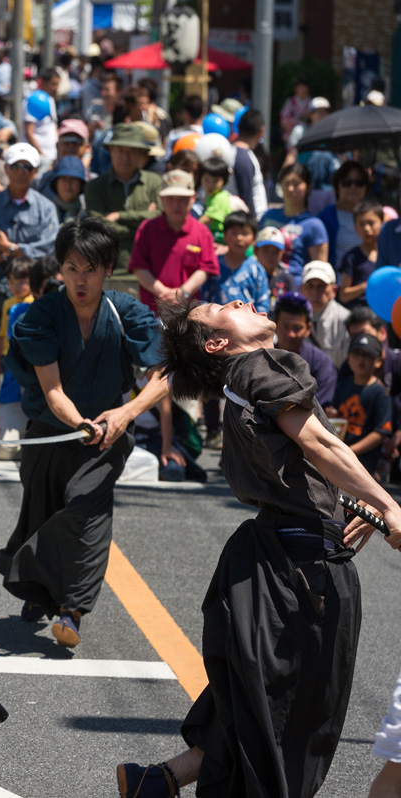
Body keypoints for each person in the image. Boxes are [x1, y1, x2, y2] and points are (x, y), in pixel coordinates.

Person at [121, 296, 401, 798]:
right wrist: (388, 503)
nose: (242, 298)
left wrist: (356, 506)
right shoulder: (264, 364)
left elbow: (301, 465)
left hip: (271, 561)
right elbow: (320, 444)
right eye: (222, 305)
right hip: (301, 571)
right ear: (218, 342)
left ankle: (163, 780)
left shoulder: (240, 384)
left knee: (255, 704)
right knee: (290, 722)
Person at [0, 218, 167, 648]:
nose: (79, 279)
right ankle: (36, 590)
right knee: (42, 512)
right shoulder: (42, 314)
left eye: (89, 269)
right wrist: (79, 424)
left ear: (108, 268)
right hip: (52, 432)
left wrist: (126, 412)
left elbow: (165, 372)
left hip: (107, 438)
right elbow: (52, 390)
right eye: (71, 268)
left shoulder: (126, 311)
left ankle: (72, 612)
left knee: (87, 512)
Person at [128, 170, 219, 315]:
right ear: (161, 198)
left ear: (193, 197)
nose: (176, 205)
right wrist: (162, 292)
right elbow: (139, 267)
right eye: (170, 198)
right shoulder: (147, 228)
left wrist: (183, 292)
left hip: (189, 314)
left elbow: (206, 267)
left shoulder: (202, 231)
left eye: (182, 199)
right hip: (151, 312)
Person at [0, 143, 59, 288]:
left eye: (27, 167)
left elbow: (49, 247)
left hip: (35, 285)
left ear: (35, 170)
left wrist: (9, 248)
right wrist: (13, 253)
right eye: (15, 166)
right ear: (6, 168)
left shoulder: (46, 208)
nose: (20, 172)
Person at [84, 123, 162, 273]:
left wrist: (120, 216)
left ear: (140, 153)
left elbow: (162, 217)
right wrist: (144, 224)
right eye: (120, 150)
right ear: (111, 151)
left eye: (132, 151)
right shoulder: (95, 187)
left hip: (149, 272)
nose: (125, 157)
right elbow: (98, 228)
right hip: (108, 271)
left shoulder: (154, 182)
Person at [329, 331, 393, 474]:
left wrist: (351, 451)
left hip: (365, 462)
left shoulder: (380, 392)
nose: (361, 359)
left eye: (367, 355)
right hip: (341, 456)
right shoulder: (342, 385)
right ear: (348, 357)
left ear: (378, 361)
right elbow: (336, 416)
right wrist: (330, 415)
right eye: (356, 353)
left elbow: (381, 432)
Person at [261, 163, 329, 278]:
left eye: (296, 184)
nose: (291, 189)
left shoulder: (314, 225)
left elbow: (320, 270)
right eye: (286, 183)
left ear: (308, 187)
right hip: (262, 284)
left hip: (294, 290)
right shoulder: (268, 215)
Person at [274, 291, 337, 407]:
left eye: (297, 328)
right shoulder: (261, 359)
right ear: (275, 325)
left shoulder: (321, 363)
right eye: (285, 326)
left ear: (308, 329)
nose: (290, 334)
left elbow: (319, 407)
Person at [318, 160, 370, 269]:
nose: (353, 187)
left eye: (359, 182)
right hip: (338, 283)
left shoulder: (375, 216)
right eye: (346, 182)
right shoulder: (324, 218)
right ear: (337, 186)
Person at [300, 260, 351, 368]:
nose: (314, 293)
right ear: (301, 289)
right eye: (310, 286)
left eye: (321, 286)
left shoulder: (346, 320)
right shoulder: (292, 319)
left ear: (334, 290)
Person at [339, 199, 383, 309]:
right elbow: (343, 295)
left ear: (382, 223)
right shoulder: (351, 257)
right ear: (355, 228)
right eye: (361, 224)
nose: (366, 229)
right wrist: (365, 286)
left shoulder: (388, 254)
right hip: (358, 315)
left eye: (371, 223)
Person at [41, 155, 87, 223]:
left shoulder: (87, 215)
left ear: (81, 184)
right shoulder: (42, 212)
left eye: (73, 179)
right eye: (64, 179)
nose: (68, 184)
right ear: (56, 183)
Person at [197, 158, 232, 244]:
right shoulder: (211, 196)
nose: (210, 185)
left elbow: (207, 218)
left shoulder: (220, 198)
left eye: (215, 181)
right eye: (206, 180)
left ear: (224, 181)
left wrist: (192, 229)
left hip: (219, 237)